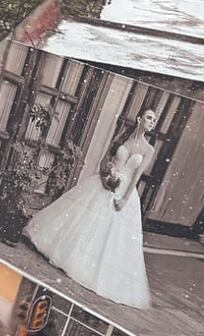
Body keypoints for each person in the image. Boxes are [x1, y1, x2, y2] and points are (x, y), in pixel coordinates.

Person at [25, 110, 158, 309]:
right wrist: (106, 177)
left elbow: (136, 177)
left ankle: (91, 270)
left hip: (124, 191)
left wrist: (124, 199)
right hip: (103, 183)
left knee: (109, 232)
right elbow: (105, 160)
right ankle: (65, 253)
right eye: (148, 117)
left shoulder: (148, 150)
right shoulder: (122, 138)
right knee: (83, 219)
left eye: (154, 120)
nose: (152, 122)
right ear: (139, 119)